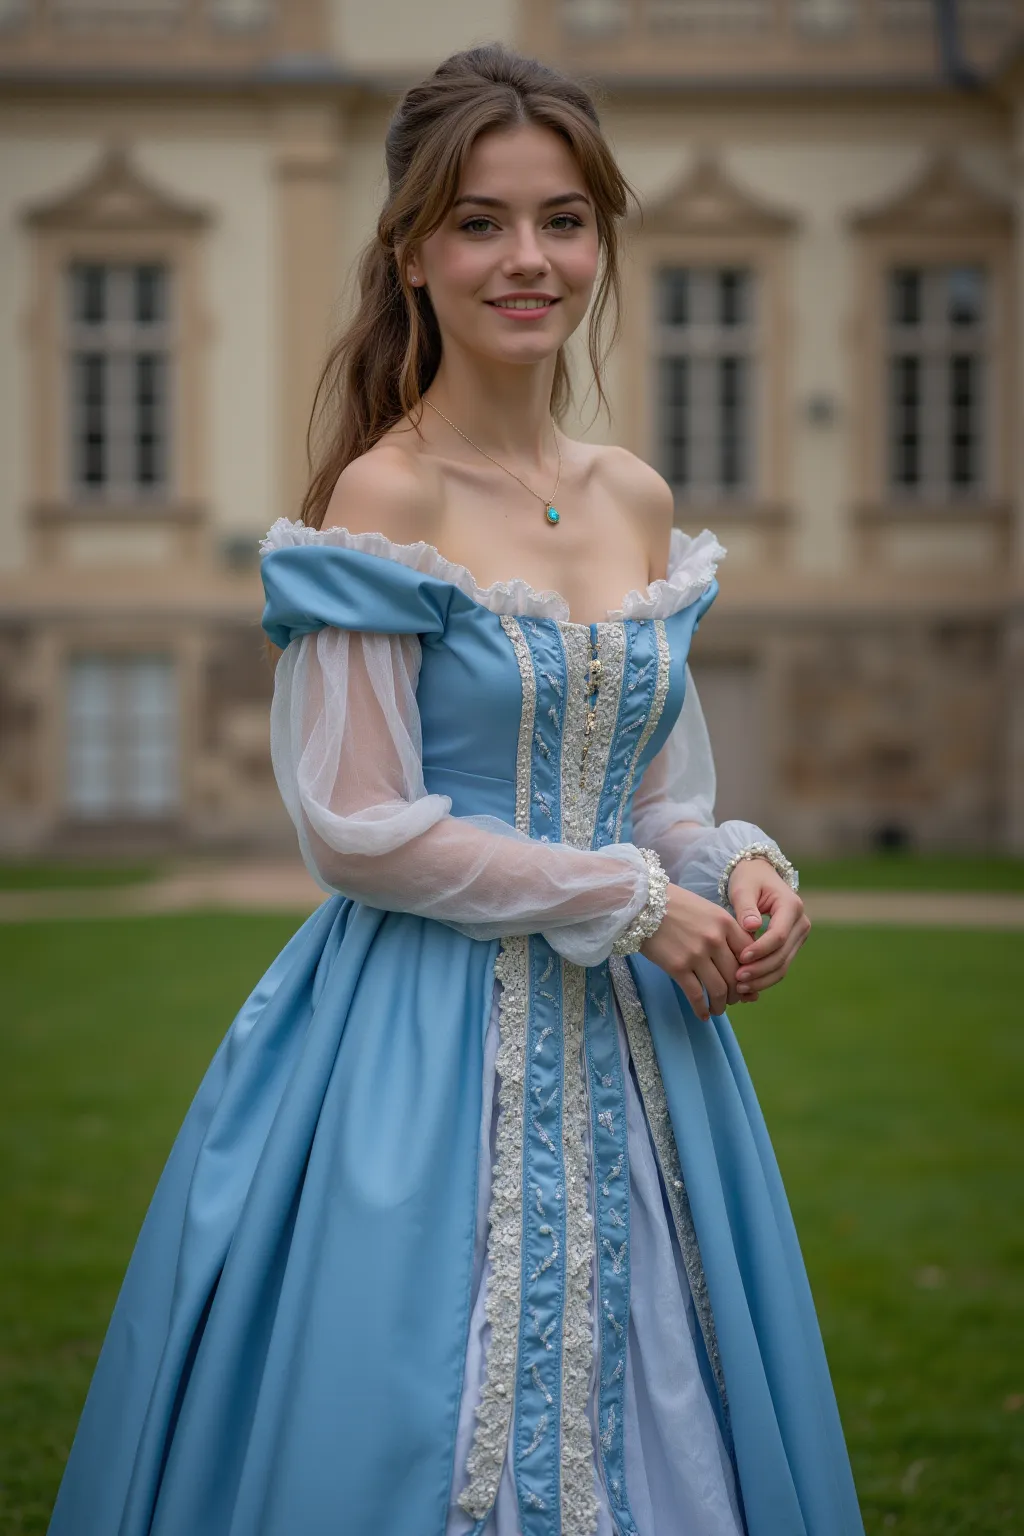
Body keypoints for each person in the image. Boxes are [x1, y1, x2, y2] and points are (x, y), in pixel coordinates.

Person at [49, 43, 864, 1536]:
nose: (527, 259)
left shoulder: (635, 497)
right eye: (481, 221)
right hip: (420, 1047)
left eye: (562, 219)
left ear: (602, 238)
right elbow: (357, 825)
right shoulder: (385, 497)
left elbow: (658, 790)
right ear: (412, 251)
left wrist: (735, 869)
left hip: (638, 1062)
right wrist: (634, 904)